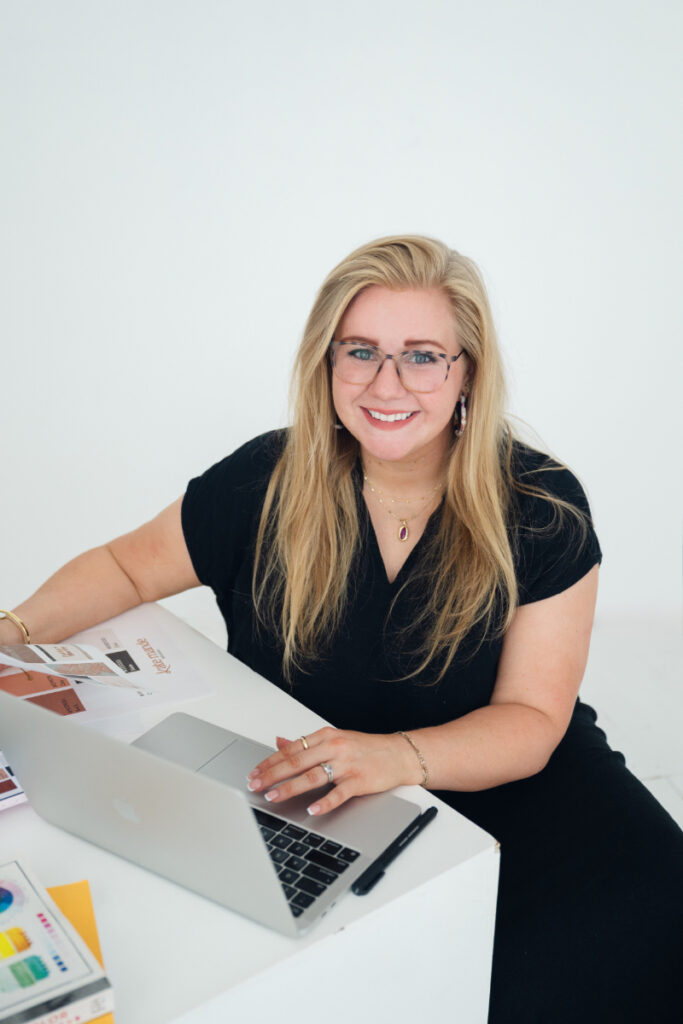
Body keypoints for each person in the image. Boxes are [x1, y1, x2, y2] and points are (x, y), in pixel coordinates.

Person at [1, 235, 681, 1023]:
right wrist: (11, 627)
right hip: (326, 793)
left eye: (422, 356)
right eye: (360, 351)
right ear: (326, 364)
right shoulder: (265, 479)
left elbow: (532, 720)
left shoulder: (540, 505)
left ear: (467, 371)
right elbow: (126, 568)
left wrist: (393, 757)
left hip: (524, 795)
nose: (387, 383)